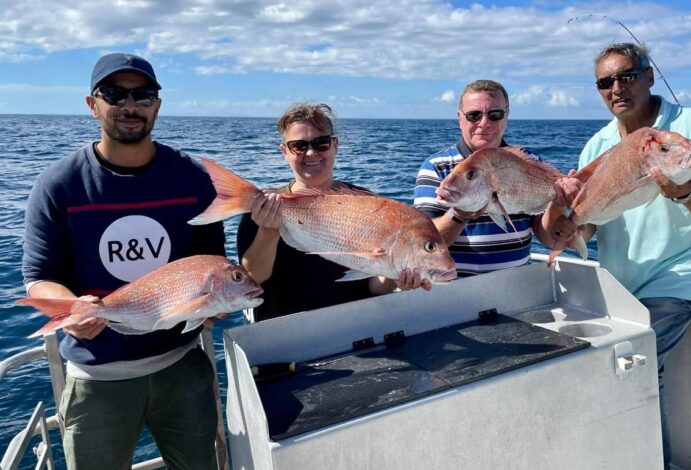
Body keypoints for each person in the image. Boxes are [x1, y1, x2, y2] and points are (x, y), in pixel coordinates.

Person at [21, 53, 225, 469]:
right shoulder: (59, 184)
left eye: (143, 95)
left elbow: (211, 265)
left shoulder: (192, 179)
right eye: (115, 94)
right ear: (92, 104)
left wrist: (211, 308)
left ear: (158, 105)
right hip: (98, 380)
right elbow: (39, 279)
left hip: (183, 368)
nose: (130, 106)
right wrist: (75, 308)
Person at [545, 42, 691, 468]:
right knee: (593, 361)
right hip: (626, 285)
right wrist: (568, 223)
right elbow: (592, 223)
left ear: (650, 76)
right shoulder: (596, 146)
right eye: (606, 81)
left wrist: (686, 192)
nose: (617, 87)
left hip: (685, 274)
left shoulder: (690, 125)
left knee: (638, 362)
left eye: (628, 75)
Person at [237, 103, 429, 321]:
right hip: (288, 333)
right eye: (299, 146)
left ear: (335, 145)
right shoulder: (264, 206)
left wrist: (396, 276)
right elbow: (253, 278)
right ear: (284, 152)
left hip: (358, 327)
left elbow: (375, 288)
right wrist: (268, 231)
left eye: (321, 143)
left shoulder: (369, 203)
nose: (311, 153)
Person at [414, 79, 576, 277]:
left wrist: (559, 203)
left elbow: (548, 239)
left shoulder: (529, 161)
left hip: (518, 286)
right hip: (455, 292)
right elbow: (423, 245)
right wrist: (459, 214)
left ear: (506, 117)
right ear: (460, 118)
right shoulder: (436, 167)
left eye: (495, 115)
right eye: (474, 115)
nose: (484, 123)